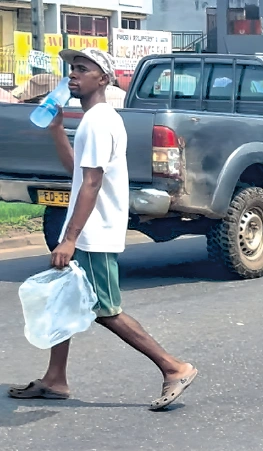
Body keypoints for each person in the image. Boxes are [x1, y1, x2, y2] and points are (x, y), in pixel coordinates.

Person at [8, 48, 198, 411]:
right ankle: (55, 378)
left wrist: (70, 239)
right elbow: (79, 173)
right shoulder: (92, 120)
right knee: (63, 299)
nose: (73, 75)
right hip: (87, 229)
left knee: (104, 309)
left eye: (83, 69)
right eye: (72, 69)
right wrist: (57, 130)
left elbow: (92, 183)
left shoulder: (98, 121)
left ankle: (173, 367)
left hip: (93, 234)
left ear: (104, 79)